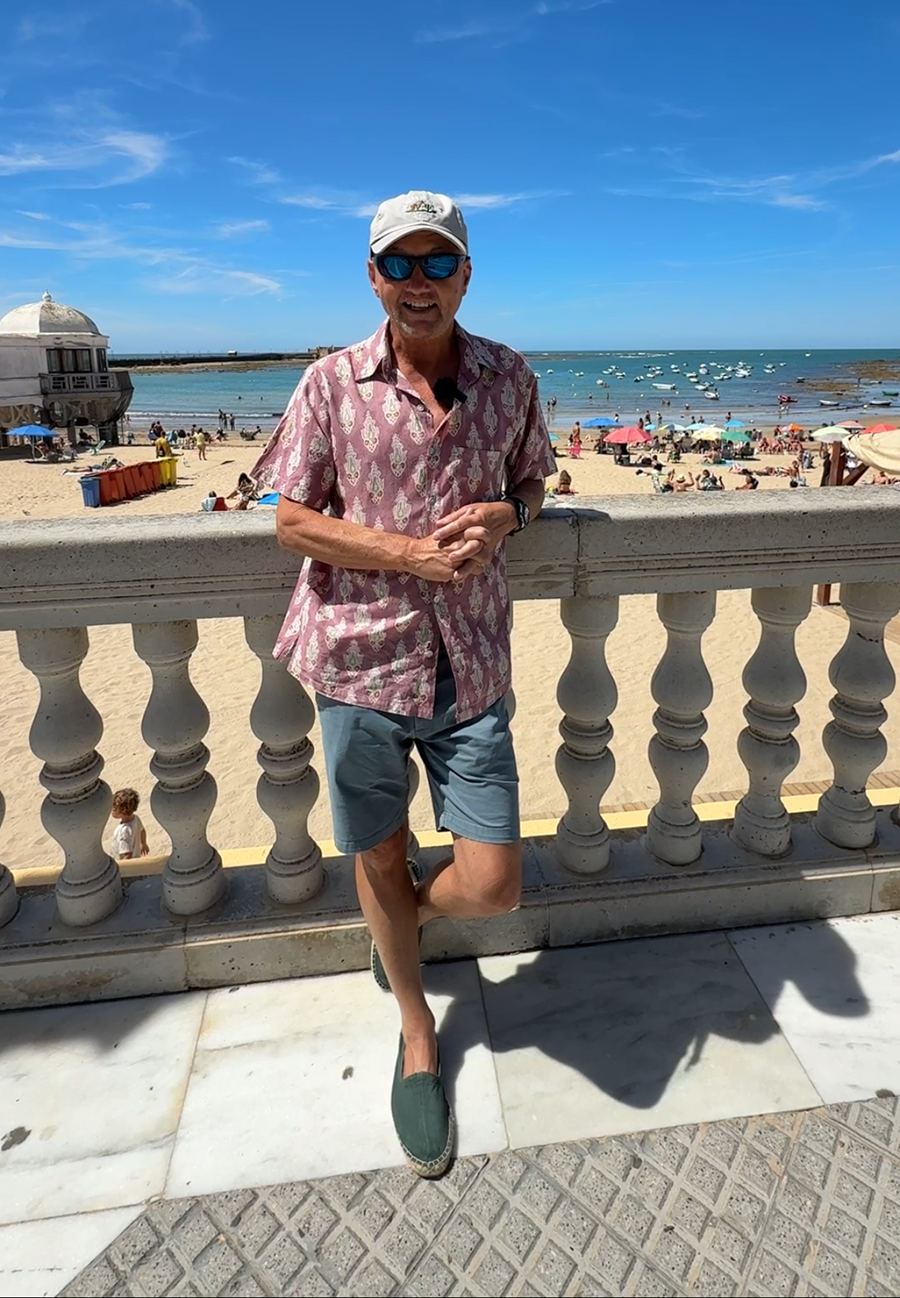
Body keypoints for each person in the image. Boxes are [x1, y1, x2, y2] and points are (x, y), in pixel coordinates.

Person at [251, 190, 555, 1179]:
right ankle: (418, 1032)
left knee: (494, 880)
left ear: (466, 274)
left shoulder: (510, 377)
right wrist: (406, 554)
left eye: (439, 263)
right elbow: (292, 518)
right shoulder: (331, 383)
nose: (418, 283)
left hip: (472, 658)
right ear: (373, 276)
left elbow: (535, 482)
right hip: (357, 659)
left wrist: (509, 514)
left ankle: (402, 928)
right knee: (377, 853)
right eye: (401, 264)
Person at [110, 788, 149, 859]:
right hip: (136, 857)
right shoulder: (136, 818)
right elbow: (142, 831)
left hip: (121, 861)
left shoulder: (123, 831)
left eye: (113, 808)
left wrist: (124, 867)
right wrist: (143, 843)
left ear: (122, 811)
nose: (111, 810)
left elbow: (127, 854)